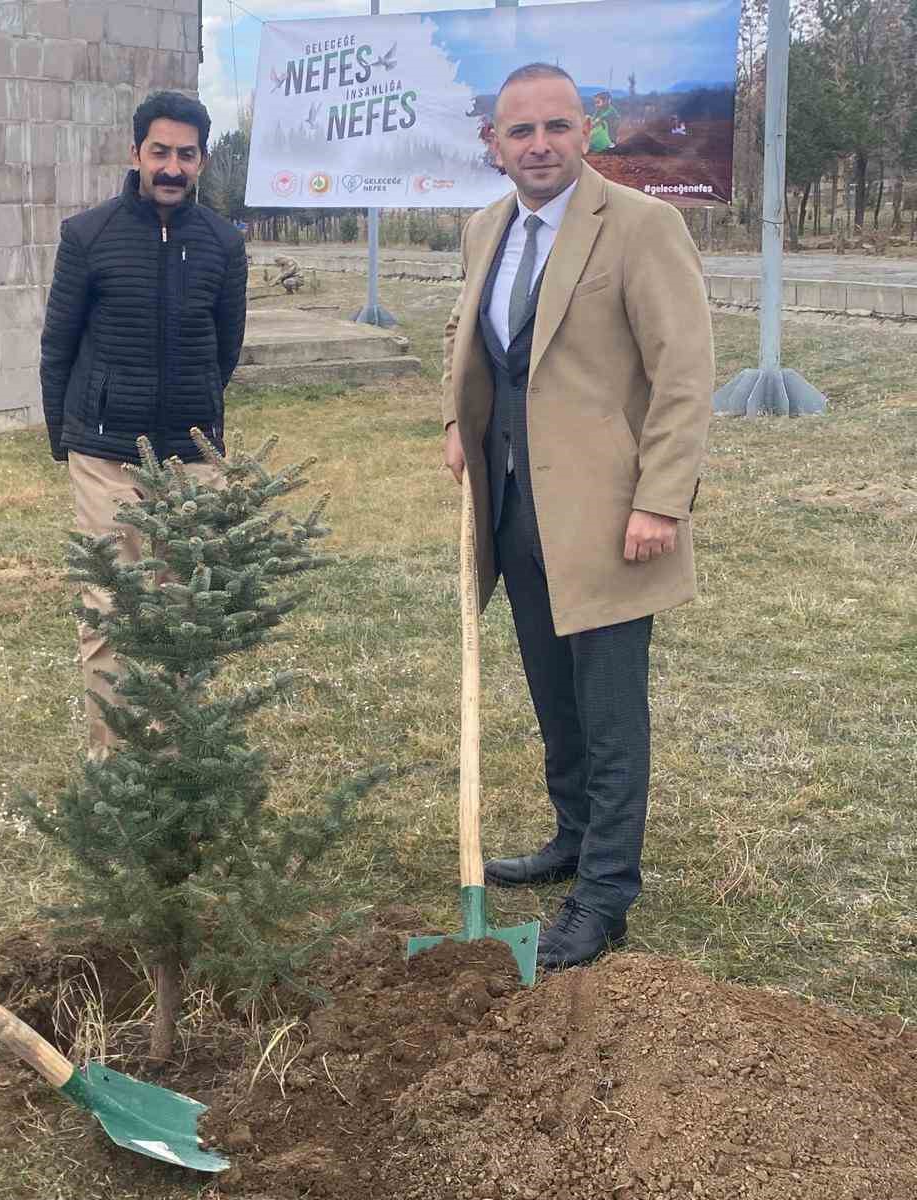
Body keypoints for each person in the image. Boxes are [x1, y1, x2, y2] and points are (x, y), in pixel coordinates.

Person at [440, 64, 712, 970]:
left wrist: (660, 500)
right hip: (514, 502)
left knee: (607, 707)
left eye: (558, 127)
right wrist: (455, 423)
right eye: (521, 133)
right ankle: (572, 837)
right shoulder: (486, 228)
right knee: (552, 690)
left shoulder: (641, 227)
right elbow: (467, 336)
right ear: (496, 145)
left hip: (607, 514)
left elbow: (683, 372)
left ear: (586, 129)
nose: (541, 146)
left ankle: (606, 892)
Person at [39, 90, 248, 757]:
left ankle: (174, 755)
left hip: (191, 454)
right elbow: (58, 344)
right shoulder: (88, 235)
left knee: (184, 606)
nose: (172, 166)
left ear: (202, 162)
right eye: (159, 151)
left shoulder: (222, 242)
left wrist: (198, 419)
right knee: (110, 606)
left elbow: (227, 345)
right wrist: (66, 438)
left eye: (186, 155)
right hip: (104, 453)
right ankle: (115, 760)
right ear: (135, 153)